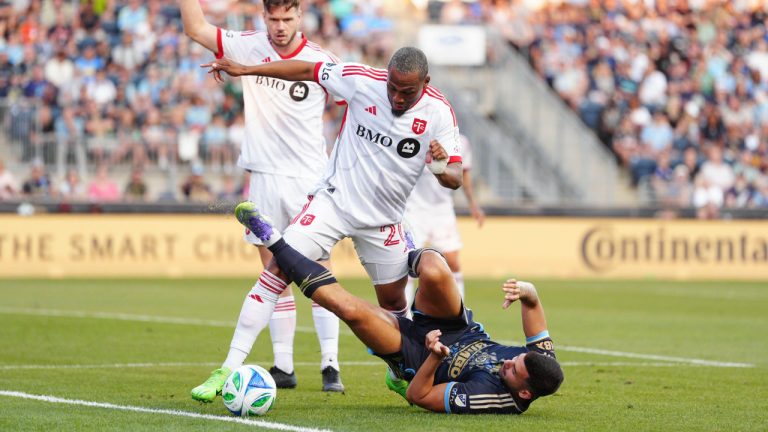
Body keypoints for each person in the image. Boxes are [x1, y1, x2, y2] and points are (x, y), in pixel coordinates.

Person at [203, 46, 464, 395]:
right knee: (278, 269)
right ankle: (227, 369)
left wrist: (440, 166)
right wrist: (248, 69)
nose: (397, 98)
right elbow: (307, 69)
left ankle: (400, 368)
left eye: (407, 92)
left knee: (393, 304)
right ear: (385, 76)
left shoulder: (439, 112)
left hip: (384, 221)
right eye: (393, 88)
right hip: (333, 203)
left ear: (425, 83)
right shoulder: (361, 81)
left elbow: (456, 177)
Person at [233, 201, 564, 414]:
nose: (507, 361)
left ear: (522, 391)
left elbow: (418, 397)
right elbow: (534, 308)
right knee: (434, 268)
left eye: (513, 369)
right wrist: (528, 292)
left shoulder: (488, 399)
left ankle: (272, 239)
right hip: (456, 328)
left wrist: (435, 356)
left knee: (348, 309)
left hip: (417, 355)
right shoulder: (542, 364)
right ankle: (404, 246)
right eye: (516, 357)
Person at [181, 0, 345, 398]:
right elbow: (196, 28)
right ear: (264, 17)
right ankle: (284, 364)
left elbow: (352, 108)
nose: (280, 26)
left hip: (309, 178)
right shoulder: (248, 45)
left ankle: (330, 365)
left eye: (288, 18)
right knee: (273, 273)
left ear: (300, 16)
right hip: (265, 179)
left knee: (317, 272)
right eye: (273, 18)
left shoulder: (322, 61)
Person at [405, 133, 484, 302]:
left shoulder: (461, 142)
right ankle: (402, 316)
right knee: (406, 264)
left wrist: (473, 205)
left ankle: (460, 313)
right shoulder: (416, 136)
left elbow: (464, 175)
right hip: (414, 210)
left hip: (442, 211)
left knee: (453, 262)